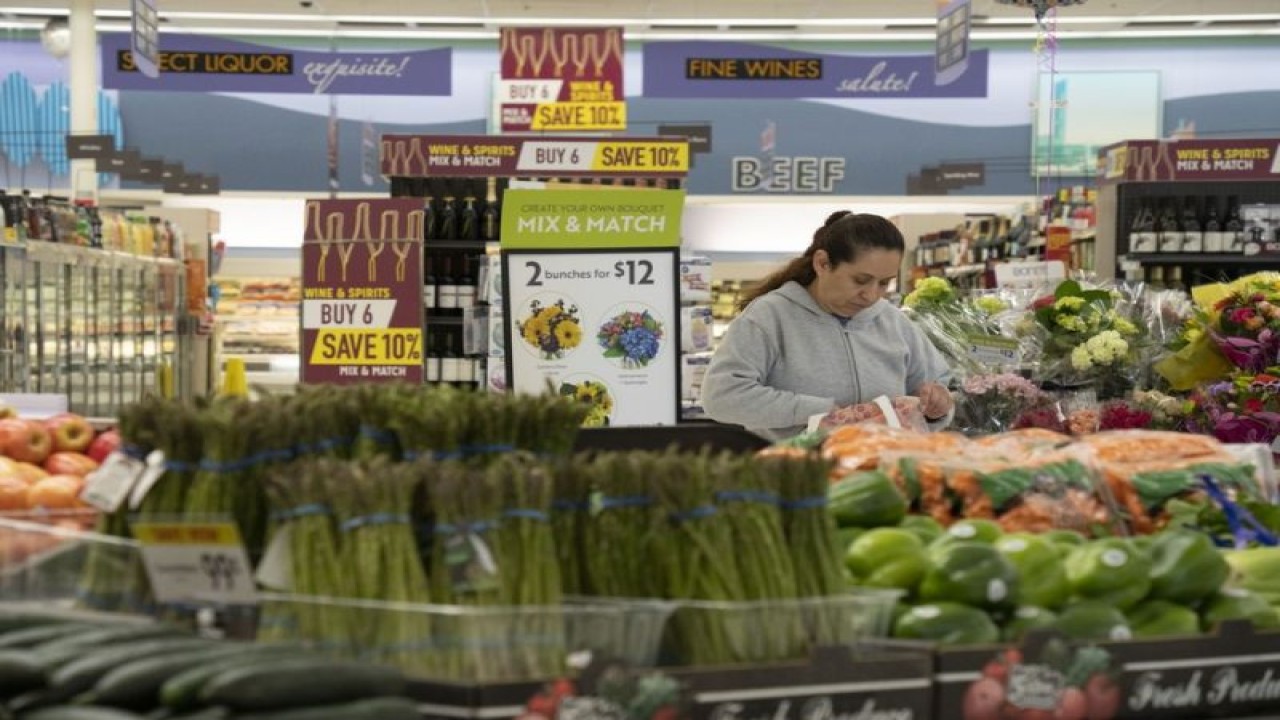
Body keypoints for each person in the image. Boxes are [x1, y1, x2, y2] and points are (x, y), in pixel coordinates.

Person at [700, 211, 954, 440]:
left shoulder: (895, 322)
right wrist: (819, 412)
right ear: (822, 263)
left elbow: (938, 387)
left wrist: (938, 406)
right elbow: (722, 397)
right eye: (860, 280)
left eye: (883, 283)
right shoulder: (769, 317)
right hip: (796, 478)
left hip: (883, 475)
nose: (871, 295)